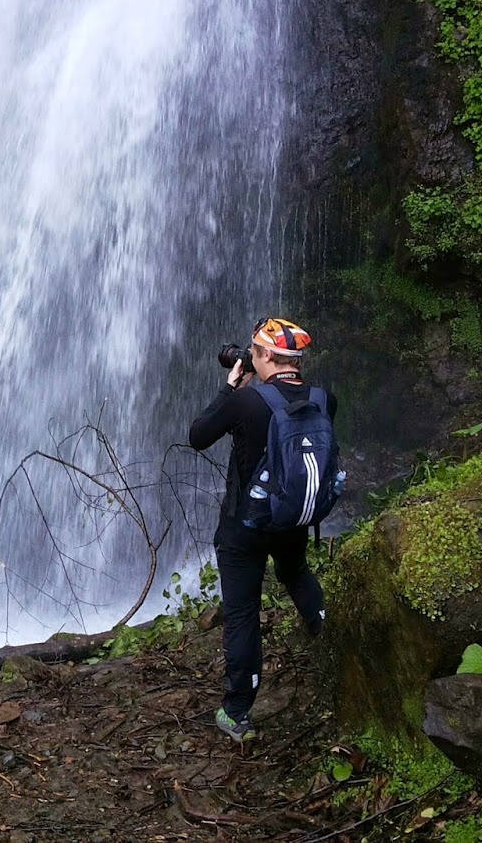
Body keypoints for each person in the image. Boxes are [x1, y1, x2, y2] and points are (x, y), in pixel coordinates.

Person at [188, 317, 333, 744]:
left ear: (266, 356)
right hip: (291, 520)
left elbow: (197, 435)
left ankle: (237, 713)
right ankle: (329, 634)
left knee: (242, 613)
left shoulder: (245, 402)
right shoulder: (325, 400)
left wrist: (231, 387)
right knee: (296, 574)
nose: (249, 357)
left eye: (253, 351)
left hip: (243, 528)